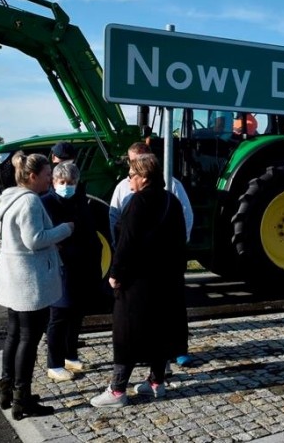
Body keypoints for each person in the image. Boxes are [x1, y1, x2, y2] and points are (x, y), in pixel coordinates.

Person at [90, 153, 188, 407]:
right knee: (160, 330)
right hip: (167, 281)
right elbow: (180, 242)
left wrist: (115, 274)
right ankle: (156, 383)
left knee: (126, 334)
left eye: (131, 174)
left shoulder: (137, 202)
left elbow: (127, 243)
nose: (128, 179)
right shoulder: (172, 201)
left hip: (138, 282)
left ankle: (117, 390)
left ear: (144, 177)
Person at [0, 152, 73, 420]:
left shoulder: (9, 198)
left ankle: (8, 390)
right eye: (48, 175)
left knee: (14, 336)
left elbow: (0, 236)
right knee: (28, 340)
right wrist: (65, 229)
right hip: (29, 283)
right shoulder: (29, 202)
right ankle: (22, 398)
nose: (51, 180)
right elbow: (34, 239)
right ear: (32, 176)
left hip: (13, 279)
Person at [40, 161, 102, 381]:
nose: (67, 186)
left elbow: (90, 233)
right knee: (59, 314)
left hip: (81, 266)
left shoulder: (81, 202)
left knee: (76, 312)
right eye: (62, 182)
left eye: (71, 182)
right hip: (60, 266)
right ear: (54, 182)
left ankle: (70, 354)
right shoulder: (46, 202)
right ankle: (54, 363)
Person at [109, 142, 193, 246]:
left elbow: (186, 217)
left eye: (139, 161)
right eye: (132, 162)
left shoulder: (172, 185)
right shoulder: (122, 187)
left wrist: (178, 246)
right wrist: (117, 245)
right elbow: (114, 218)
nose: (134, 166)